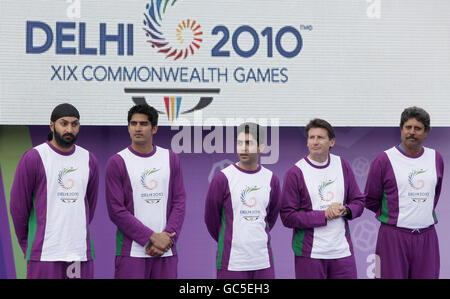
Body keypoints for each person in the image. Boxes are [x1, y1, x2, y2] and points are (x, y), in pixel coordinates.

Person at [10, 103, 99, 279]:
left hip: (79, 254)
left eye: (74, 124)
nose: (69, 129)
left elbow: (90, 205)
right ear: (52, 125)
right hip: (44, 255)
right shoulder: (34, 158)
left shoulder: (89, 159)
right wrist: (29, 246)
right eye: (63, 123)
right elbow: (18, 209)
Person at [105, 104, 186, 279]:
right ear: (128, 127)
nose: (137, 128)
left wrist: (167, 239)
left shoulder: (170, 158)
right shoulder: (117, 162)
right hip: (131, 252)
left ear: (154, 128)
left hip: (166, 250)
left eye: (143, 124)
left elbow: (179, 202)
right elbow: (116, 211)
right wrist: (151, 237)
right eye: (133, 124)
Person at [365, 106, 444, 279]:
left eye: (418, 128)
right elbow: (371, 199)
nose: (412, 132)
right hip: (392, 237)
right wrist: (393, 216)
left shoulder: (435, 158)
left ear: (426, 132)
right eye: (408, 127)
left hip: (427, 237)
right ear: (401, 129)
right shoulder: (384, 159)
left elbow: (434, 195)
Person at [280, 118, 364, 279]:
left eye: (320, 137)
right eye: (311, 138)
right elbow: (287, 217)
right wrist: (324, 215)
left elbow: (358, 202)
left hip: (342, 253)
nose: (315, 142)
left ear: (331, 142)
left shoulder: (342, 165)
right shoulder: (296, 172)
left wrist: (345, 210)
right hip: (310, 254)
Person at [204, 122, 281, 279]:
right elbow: (211, 219)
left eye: (249, 143)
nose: (243, 148)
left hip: (262, 262)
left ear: (261, 147)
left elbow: (271, 218)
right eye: (239, 143)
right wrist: (228, 239)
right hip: (232, 263)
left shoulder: (271, 179)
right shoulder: (223, 178)